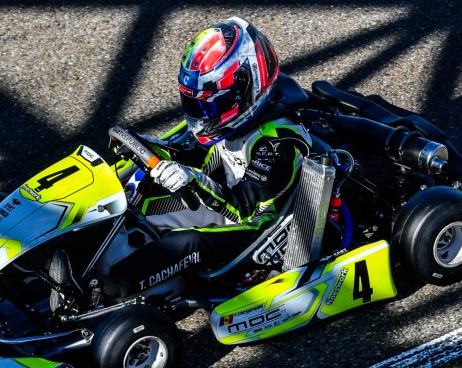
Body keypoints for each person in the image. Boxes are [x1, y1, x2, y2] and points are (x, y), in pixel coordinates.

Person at [104, 17, 311, 296]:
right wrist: (149, 147)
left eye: (212, 104)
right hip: (219, 199)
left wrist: (191, 179)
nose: (203, 114)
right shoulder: (229, 125)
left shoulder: (279, 144)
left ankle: (110, 293)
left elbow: (243, 208)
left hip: (253, 226)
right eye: (196, 103)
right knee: (131, 204)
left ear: (246, 89)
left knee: (174, 248)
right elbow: (191, 150)